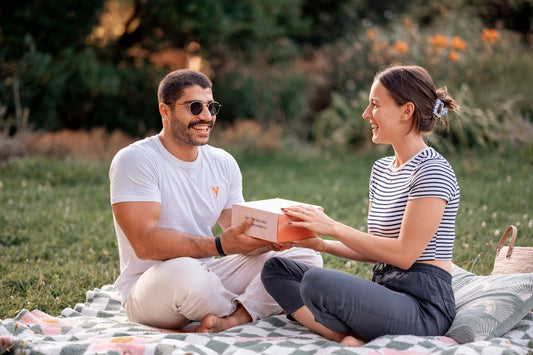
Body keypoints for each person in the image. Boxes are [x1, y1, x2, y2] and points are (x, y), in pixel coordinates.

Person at [109, 69, 322, 332]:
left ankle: (233, 319)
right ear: (165, 110)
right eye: (195, 107)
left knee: (304, 256)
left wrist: (270, 240)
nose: (207, 117)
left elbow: (241, 236)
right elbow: (144, 244)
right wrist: (220, 245)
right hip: (154, 287)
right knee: (186, 273)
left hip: (209, 276)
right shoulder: (136, 159)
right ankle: (264, 303)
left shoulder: (223, 162)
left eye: (211, 107)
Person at [261, 64, 460, 346]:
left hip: (423, 307)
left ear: (407, 111)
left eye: (375, 105)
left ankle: (353, 331)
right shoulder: (381, 169)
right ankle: (341, 336)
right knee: (276, 269)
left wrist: (332, 227)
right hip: (386, 291)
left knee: (317, 283)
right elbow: (377, 249)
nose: (366, 114)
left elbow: (404, 255)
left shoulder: (432, 171)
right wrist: (319, 244)